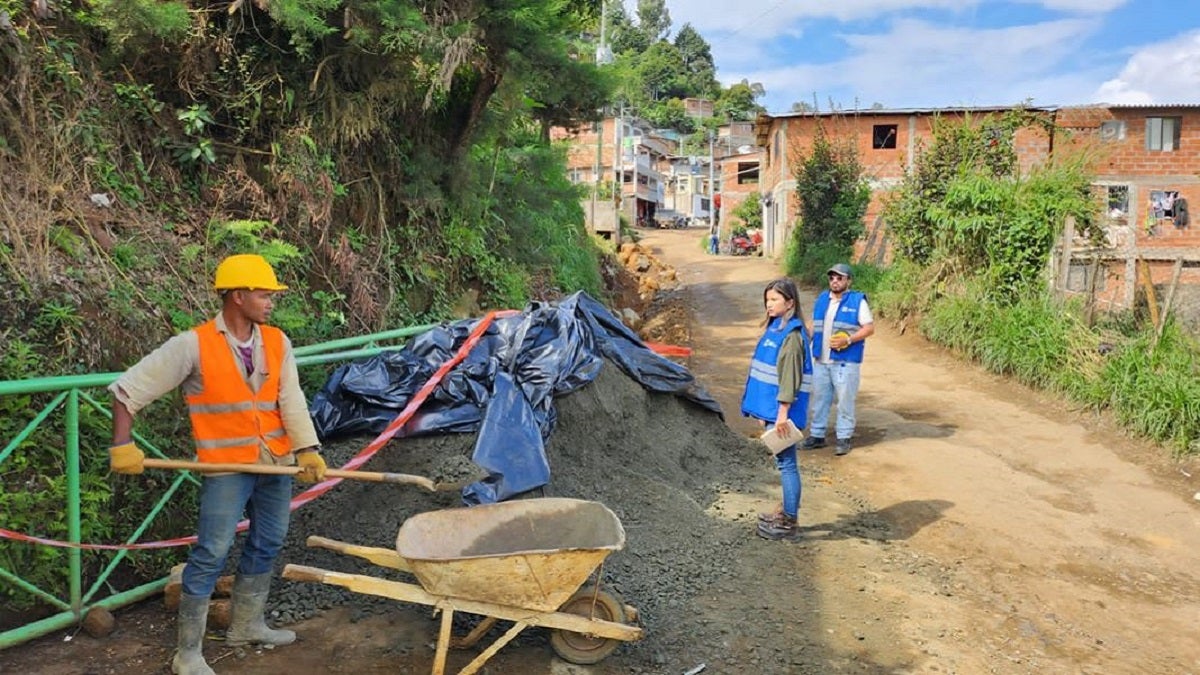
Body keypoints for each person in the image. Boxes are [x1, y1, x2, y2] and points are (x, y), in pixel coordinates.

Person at [107, 253, 327, 675]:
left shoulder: (277, 342)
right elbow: (126, 390)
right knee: (212, 550)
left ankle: (246, 626)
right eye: (264, 294)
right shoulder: (193, 345)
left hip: (275, 463)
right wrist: (122, 444)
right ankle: (188, 653)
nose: (271, 302)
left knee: (269, 540)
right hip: (226, 467)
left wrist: (306, 449)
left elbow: (291, 399)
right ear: (238, 296)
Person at [741, 278, 812, 540]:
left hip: (783, 414)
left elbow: (789, 380)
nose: (769, 305)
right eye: (767, 300)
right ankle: (786, 513)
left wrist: (781, 415)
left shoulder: (791, 337)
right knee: (785, 463)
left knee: (787, 465)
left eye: (774, 300)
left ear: (790, 303)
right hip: (774, 412)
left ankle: (789, 521)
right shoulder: (777, 329)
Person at [803, 263, 875, 456]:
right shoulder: (822, 300)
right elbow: (813, 325)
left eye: (839, 278)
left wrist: (848, 340)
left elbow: (869, 328)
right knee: (820, 399)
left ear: (848, 281)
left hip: (845, 362)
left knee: (845, 401)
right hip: (821, 360)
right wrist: (804, 341)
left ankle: (844, 437)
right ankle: (817, 435)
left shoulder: (857, 301)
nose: (835, 281)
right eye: (832, 278)